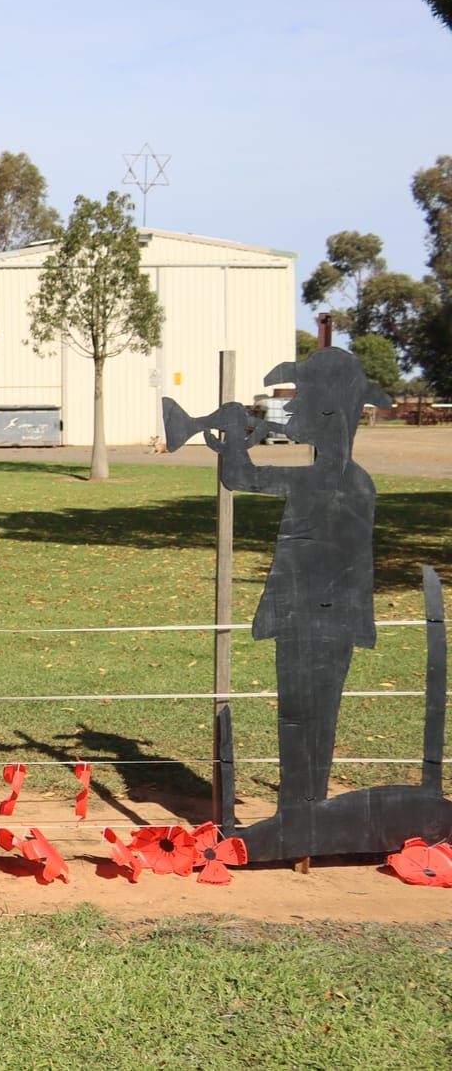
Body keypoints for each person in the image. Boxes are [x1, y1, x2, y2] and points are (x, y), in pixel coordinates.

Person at [213, 348, 391, 848]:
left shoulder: (333, 481)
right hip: (324, 617)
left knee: (302, 716)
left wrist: (233, 441)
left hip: (310, 618)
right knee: (310, 716)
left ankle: (301, 815)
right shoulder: (353, 480)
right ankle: (303, 810)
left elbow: (242, 478)